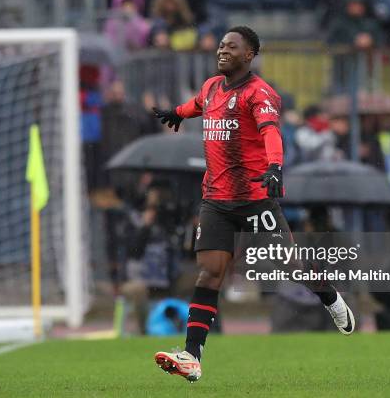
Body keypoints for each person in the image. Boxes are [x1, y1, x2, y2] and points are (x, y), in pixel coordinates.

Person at [151, 26, 355, 383]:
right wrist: (178, 113)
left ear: (250, 54)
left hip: (255, 200)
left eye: (232, 46)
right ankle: (192, 356)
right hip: (215, 200)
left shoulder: (259, 94)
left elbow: (270, 133)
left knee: (291, 267)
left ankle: (331, 299)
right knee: (210, 272)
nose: (222, 50)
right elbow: (197, 105)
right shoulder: (211, 87)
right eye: (220, 45)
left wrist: (275, 167)